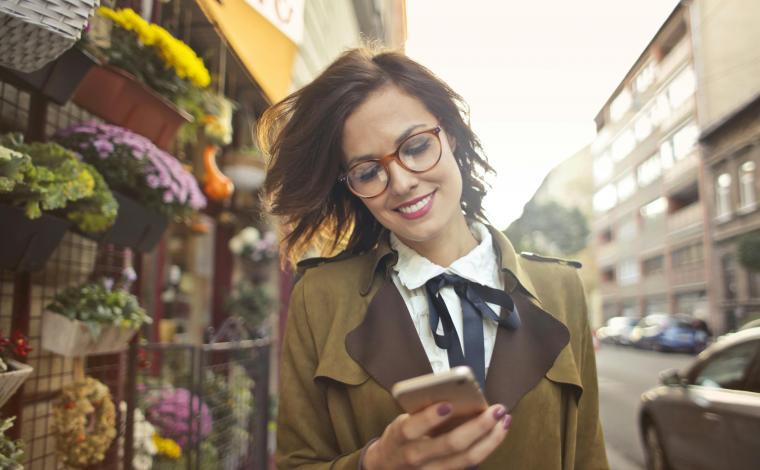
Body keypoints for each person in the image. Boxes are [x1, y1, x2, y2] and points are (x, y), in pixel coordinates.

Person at [259, 47, 609, 470]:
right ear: (350, 187)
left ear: (451, 134)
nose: (402, 182)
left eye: (417, 146)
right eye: (369, 172)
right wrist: (377, 461)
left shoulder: (560, 289)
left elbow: (589, 456)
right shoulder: (320, 297)